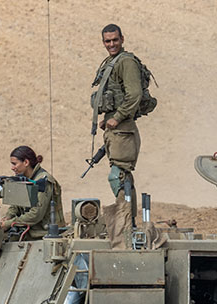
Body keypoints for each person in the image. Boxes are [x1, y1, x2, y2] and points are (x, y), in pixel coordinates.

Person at [92, 24, 142, 241]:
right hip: (117, 130)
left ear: (122, 39)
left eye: (115, 40)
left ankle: (127, 226)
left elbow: (134, 94)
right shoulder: (112, 62)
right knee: (120, 177)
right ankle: (126, 224)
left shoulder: (126, 62)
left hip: (124, 130)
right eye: (107, 41)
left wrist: (118, 117)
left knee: (118, 177)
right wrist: (109, 119)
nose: (111, 44)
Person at [0, 145, 65, 239]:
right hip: (29, 230)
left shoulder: (43, 181)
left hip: (44, 234)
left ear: (26, 162)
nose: (12, 168)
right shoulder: (23, 179)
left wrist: (9, 223)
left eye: (14, 164)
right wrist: (8, 216)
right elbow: (16, 205)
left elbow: (36, 214)